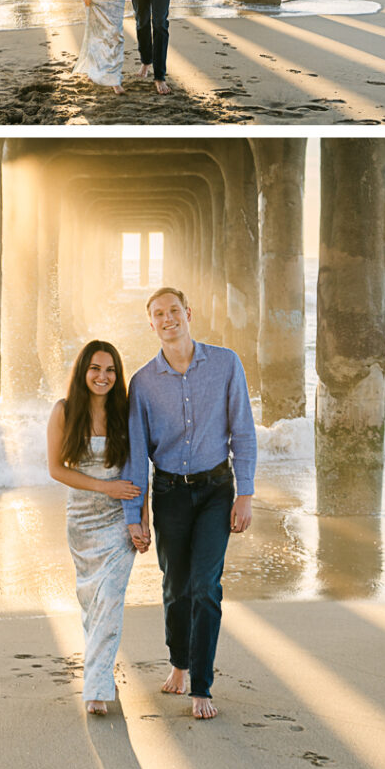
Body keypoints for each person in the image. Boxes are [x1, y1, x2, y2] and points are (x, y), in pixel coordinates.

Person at [121, 288, 257, 720]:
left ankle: (201, 683)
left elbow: (244, 433)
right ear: (151, 323)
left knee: (205, 587)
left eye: (174, 311)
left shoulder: (225, 363)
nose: (168, 319)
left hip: (216, 490)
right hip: (169, 495)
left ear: (188, 314)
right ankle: (178, 662)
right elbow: (136, 455)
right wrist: (135, 516)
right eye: (158, 314)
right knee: (175, 587)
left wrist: (246, 494)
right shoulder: (142, 383)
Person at [47, 340, 147, 715]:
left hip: (119, 520)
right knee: (91, 603)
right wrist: (105, 486)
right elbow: (56, 469)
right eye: (95, 369)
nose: (103, 377)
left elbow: (139, 473)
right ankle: (102, 670)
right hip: (82, 521)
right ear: (82, 371)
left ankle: (97, 686)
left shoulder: (126, 413)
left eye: (110, 370)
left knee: (110, 600)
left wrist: (141, 520)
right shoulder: (64, 411)